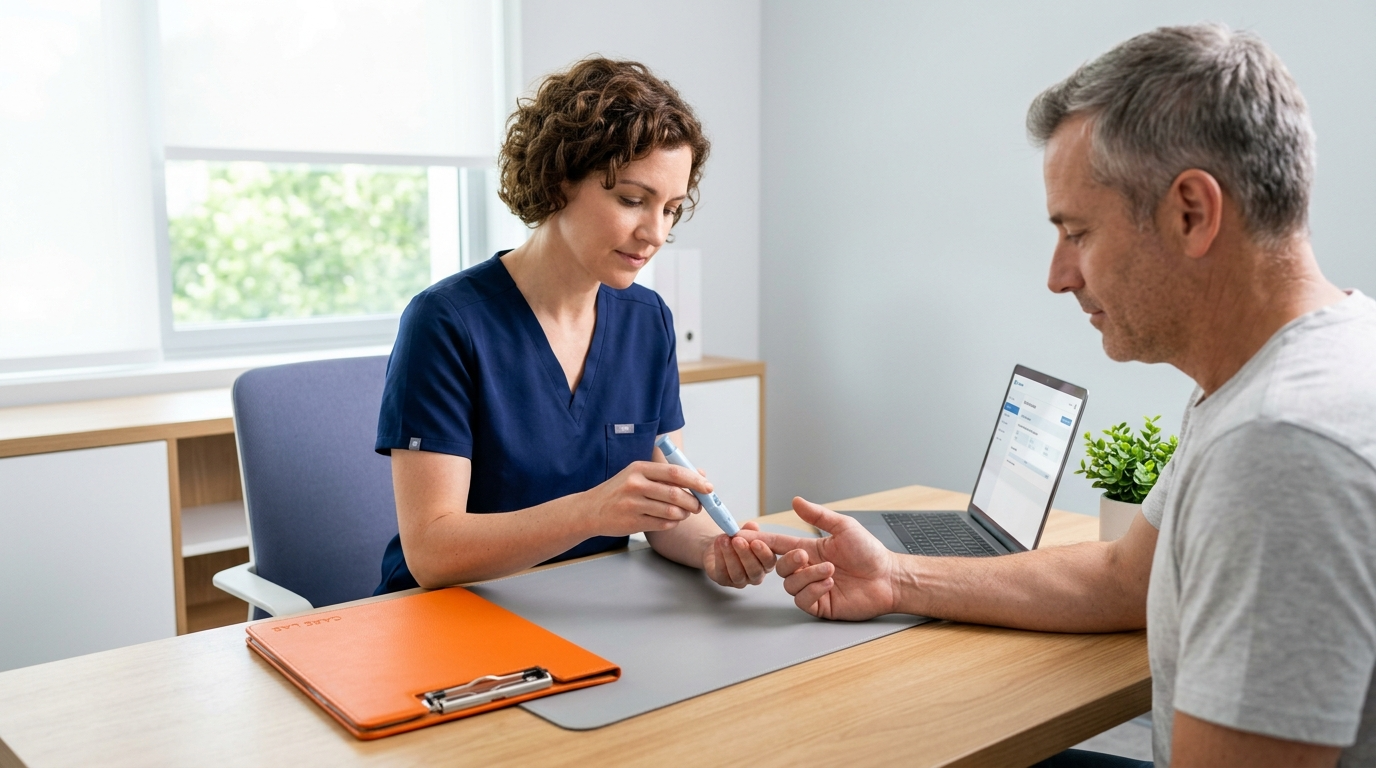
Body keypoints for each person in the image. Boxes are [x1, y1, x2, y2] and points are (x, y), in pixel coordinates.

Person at [752, 24, 1376, 768]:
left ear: (1192, 213)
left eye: (1077, 232)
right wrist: (896, 575)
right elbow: (1123, 578)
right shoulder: (1299, 361)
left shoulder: (1277, 446)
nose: (1059, 275)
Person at [372, 58, 777, 595]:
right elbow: (432, 553)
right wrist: (591, 513)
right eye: (632, 200)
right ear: (560, 179)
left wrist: (714, 550)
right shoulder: (447, 322)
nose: (654, 232)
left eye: (672, 209)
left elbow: (665, 511)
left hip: (589, 608)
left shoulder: (647, 321)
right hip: (451, 617)